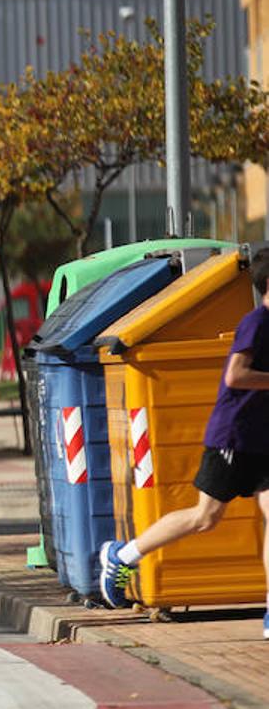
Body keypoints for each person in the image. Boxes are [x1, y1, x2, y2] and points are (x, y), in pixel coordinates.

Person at [98, 249, 269, 634]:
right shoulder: (256, 323)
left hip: (264, 439)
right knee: (205, 517)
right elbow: (236, 376)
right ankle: (124, 555)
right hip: (235, 436)